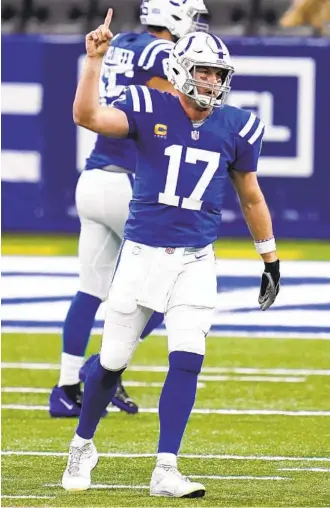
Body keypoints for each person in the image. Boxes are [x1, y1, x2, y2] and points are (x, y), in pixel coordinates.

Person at [61, 9, 280, 498]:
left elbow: (251, 196)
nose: (210, 81)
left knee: (188, 357)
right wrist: (92, 62)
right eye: (203, 71)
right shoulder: (148, 104)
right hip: (141, 253)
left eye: (217, 74)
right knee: (113, 360)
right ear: (182, 68)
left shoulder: (238, 126)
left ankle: (166, 467)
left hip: (197, 259)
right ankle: (82, 442)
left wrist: (270, 259)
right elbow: (87, 117)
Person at [49, 0, 209, 417]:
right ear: (176, 17)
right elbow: (182, 102)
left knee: (90, 289)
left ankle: (65, 388)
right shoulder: (162, 53)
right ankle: (101, 369)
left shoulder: (119, 42)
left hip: (94, 177)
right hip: (127, 180)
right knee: (169, 287)